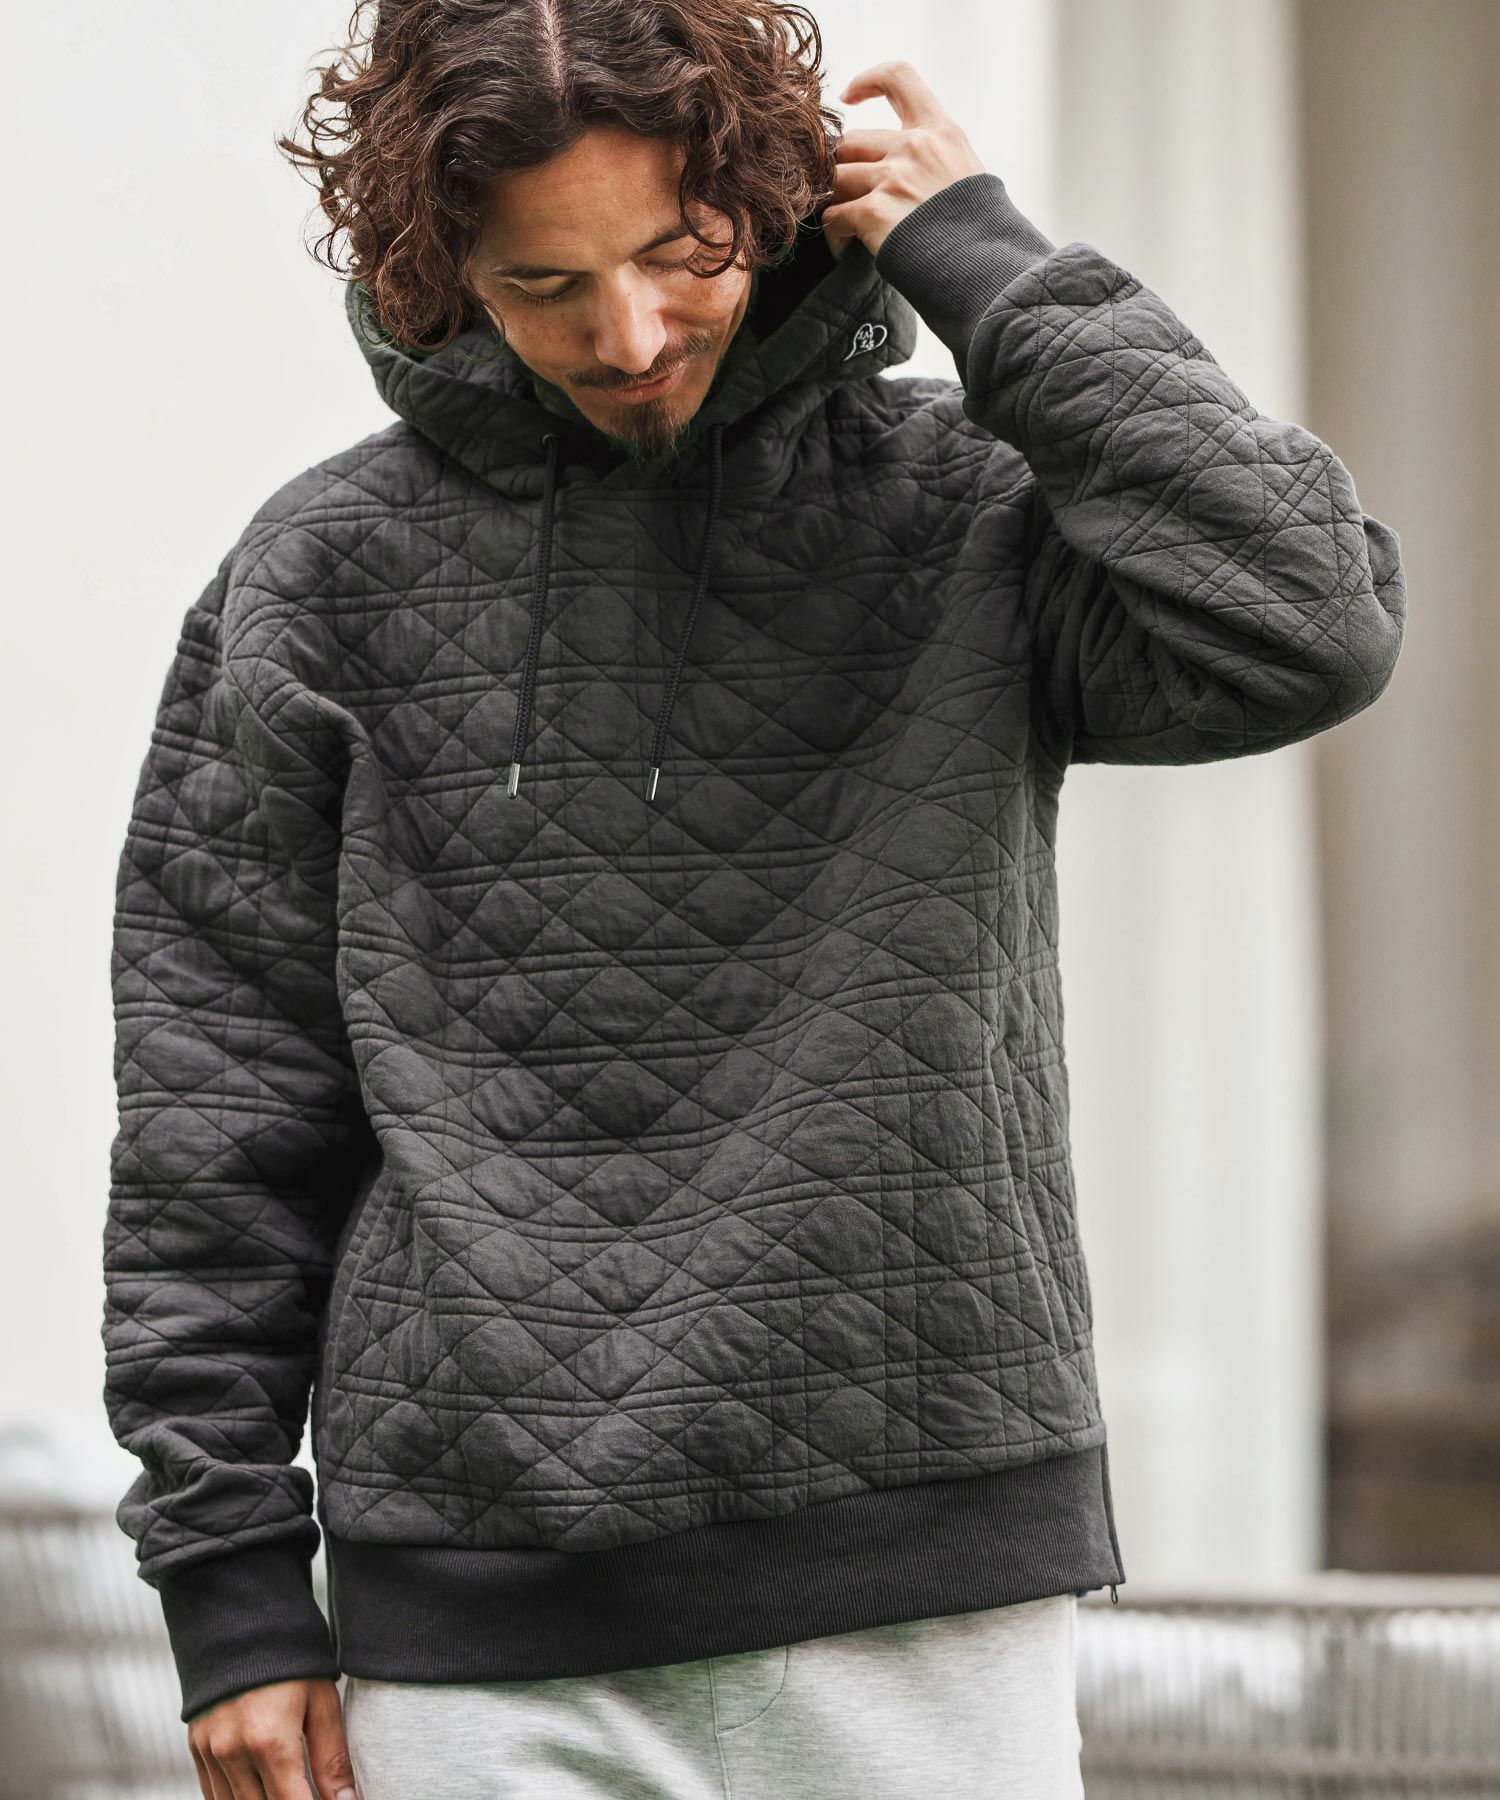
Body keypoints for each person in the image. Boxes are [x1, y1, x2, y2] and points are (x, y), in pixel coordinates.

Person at [100, 3, 1407, 1797]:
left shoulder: (967, 509)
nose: (627, 337)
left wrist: (989, 266)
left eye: (679, 254)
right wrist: (233, 1581)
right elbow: (218, 1104)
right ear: (442, 268)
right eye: (545, 284)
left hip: (919, 1587)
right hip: (475, 1620)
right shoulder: (319, 576)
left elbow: (1311, 625)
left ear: (774, 203)